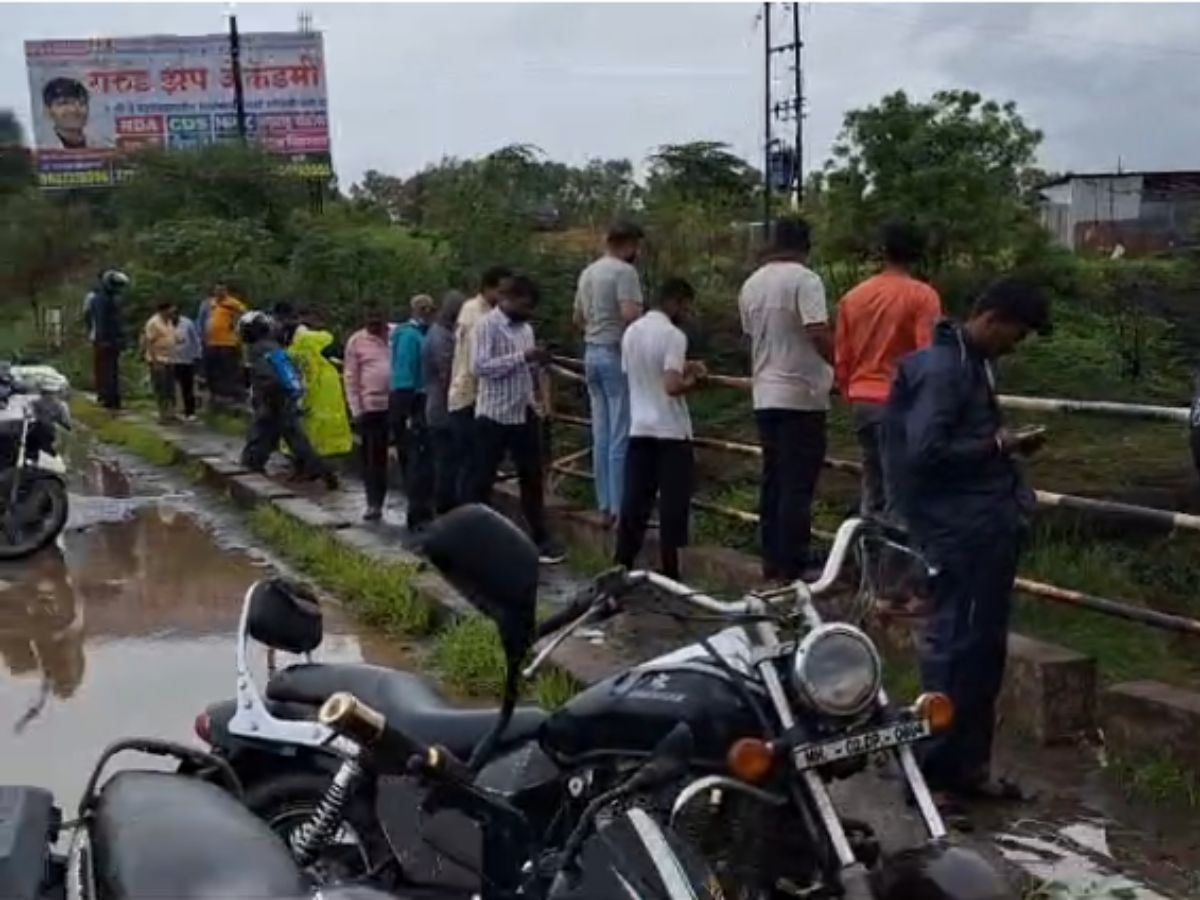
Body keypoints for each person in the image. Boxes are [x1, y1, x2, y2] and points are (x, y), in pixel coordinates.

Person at [883, 277, 1051, 807]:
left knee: (983, 651)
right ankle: (933, 774)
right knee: (955, 650)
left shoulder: (970, 362)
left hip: (984, 525)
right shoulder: (943, 370)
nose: (1015, 346)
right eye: (1016, 335)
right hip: (960, 531)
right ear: (994, 317)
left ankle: (969, 767)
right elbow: (925, 453)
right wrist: (998, 444)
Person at [738, 217, 833, 582]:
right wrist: (843, 364)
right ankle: (794, 564)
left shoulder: (751, 284)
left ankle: (772, 560)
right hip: (801, 394)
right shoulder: (805, 280)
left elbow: (749, 338)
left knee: (773, 479)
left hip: (765, 392)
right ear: (805, 246)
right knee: (797, 484)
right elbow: (816, 331)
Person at [835, 221, 942, 518]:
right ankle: (897, 563)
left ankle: (871, 561)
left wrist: (850, 391)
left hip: (863, 401)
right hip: (901, 405)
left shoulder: (853, 297)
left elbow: (842, 356)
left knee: (873, 489)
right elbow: (927, 356)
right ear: (917, 254)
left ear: (884, 252)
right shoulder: (923, 296)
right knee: (903, 495)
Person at [615, 278, 705, 580]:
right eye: (685, 305)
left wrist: (683, 366)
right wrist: (694, 379)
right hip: (671, 431)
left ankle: (622, 564)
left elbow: (641, 373)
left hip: (639, 427)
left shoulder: (631, 333)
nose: (687, 311)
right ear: (675, 302)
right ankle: (670, 572)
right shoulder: (673, 336)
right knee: (672, 505)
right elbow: (671, 384)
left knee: (635, 503)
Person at [470, 274, 564, 564]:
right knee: (482, 479)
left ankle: (539, 537)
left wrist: (540, 391)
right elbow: (480, 367)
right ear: (508, 299)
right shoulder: (486, 326)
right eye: (524, 306)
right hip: (494, 413)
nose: (528, 312)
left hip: (523, 410)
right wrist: (522, 357)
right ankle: (473, 536)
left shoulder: (526, 329)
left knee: (531, 478)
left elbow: (531, 367)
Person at [574, 221, 645, 527]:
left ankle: (603, 503)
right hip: (615, 354)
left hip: (591, 352)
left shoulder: (588, 272)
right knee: (620, 432)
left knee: (600, 432)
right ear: (627, 243)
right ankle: (619, 507)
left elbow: (577, 316)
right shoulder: (624, 273)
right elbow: (631, 314)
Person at [240, 311, 337, 488]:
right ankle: (322, 470)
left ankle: (251, 467)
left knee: (266, 434)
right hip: (282, 398)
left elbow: (267, 377)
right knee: (289, 437)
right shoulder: (273, 346)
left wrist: (266, 399)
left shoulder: (258, 350)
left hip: (273, 399)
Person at [448, 266, 514, 501]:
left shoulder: (474, 311)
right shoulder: (478, 315)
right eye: (502, 291)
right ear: (488, 288)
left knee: (477, 466)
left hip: (473, 394)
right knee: (474, 466)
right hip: (471, 395)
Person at [343, 306, 394, 521]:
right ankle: (374, 503)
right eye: (369, 321)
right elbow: (351, 377)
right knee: (374, 458)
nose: (374, 325)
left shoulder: (398, 335)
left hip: (399, 403)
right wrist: (356, 409)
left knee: (411, 455)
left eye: (377, 320)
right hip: (371, 407)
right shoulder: (356, 342)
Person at [422, 290, 467, 514]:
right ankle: (445, 510)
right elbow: (447, 374)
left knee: (448, 463)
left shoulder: (438, 333)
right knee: (447, 464)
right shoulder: (441, 337)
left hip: (440, 408)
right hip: (444, 410)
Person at [289, 323, 352, 460]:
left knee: (306, 425)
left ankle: (308, 462)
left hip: (308, 389)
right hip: (328, 386)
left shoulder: (294, 349)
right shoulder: (323, 340)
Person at [83, 270, 129, 411]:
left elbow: (117, 321)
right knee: (106, 370)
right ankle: (107, 398)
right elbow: (100, 320)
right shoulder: (100, 299)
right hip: (104, 340)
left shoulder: (112, 298)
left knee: (112, 370)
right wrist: (102, 339)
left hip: (111, 339)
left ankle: (112, 397)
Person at [203, 283, 247, 407]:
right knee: (213, 370)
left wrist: (236, 324)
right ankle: (217, 395)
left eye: (222, 290)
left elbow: (244, 315)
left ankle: (234, 395)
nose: (219, 293)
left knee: (229, 369)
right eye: (217, 290)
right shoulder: (211, 303)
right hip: (212, 341)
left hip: (228, 342)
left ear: (226, 291)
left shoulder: (233, 303)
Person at [142, 302, 178, 423]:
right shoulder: (153, 323)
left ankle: (171, 413)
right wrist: (155, 361)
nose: (173, 312)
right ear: (164, 310)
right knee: (161, 387)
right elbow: (149, 342)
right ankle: (162, 414)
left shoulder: (169, 322)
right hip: (158, 359)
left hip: (169, 359)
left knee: (170, 388)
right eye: (171, 310)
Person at [42, 77, 90, 149]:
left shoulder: (105, 148)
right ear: (48, 111)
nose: (74, 109)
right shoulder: (40, 149)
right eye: (64, 103)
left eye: (81, 103)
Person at [172, 308, 202, 421]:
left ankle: (190, 411)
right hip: (170, 359)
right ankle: (175, 410)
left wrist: (197, 355)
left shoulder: (187, 323)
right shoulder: (165, 324)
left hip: (186, 359)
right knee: (173, 387)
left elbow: (195, 339)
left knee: (187, 386)